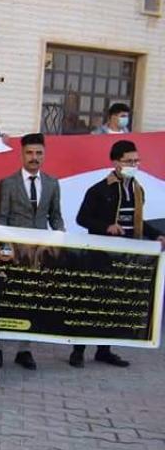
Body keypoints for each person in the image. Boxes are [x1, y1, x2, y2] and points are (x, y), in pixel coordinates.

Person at [71, 139, 165, 368]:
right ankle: (78, 351)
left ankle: (104, 350)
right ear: (116, 162)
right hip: (101, 256)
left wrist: (157, 235)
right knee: (91, 304)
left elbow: (137, 221)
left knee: (115, 304)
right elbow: (82, 218)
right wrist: (107, 227)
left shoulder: (137, 189)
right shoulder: (99, 189)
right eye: (128, 161)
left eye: (136, 161)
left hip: (125, 257)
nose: (133, 165)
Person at [0, 132, 64, 370]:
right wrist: (2, 247)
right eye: (30, 153)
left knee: (32, 300)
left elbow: (55, 216)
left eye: (39, 153)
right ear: (22, 154)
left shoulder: (52, 183)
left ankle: (24, 350)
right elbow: (2, 217)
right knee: (8, 299)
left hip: (40, 254)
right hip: (13, 253)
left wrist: (62, 236)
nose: (34, 157)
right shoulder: (8, 183)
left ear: (44, 155)